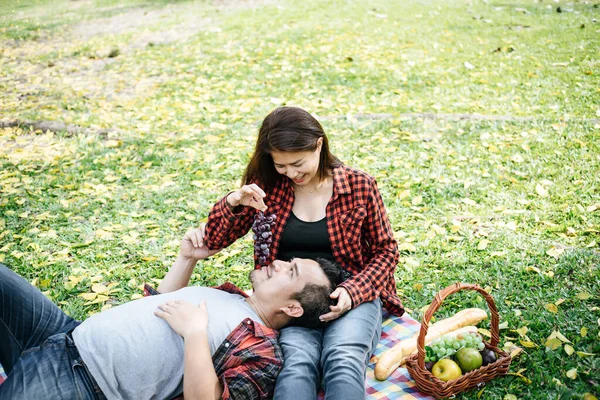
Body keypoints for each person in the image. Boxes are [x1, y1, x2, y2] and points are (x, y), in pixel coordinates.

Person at [194, 106, 405, 399]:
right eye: (281, 165)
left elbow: (386, 252)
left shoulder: (359, 185)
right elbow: (215, 238)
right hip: (293, 298)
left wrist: (353, 292)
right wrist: (234, 200)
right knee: (296, 363)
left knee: (342, 359)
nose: (291, 173)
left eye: (297, 163)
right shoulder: (268, 185)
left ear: (319, 145)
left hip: (350, 289)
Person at [0, 227, 343, 400]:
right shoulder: (231, 296)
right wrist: (187, 259)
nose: (279, 263)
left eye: (292, 271)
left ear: (293, 307)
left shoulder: (264, 355)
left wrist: (195, 334)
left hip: (83, 382)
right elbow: (161, 302)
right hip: (62, 333)